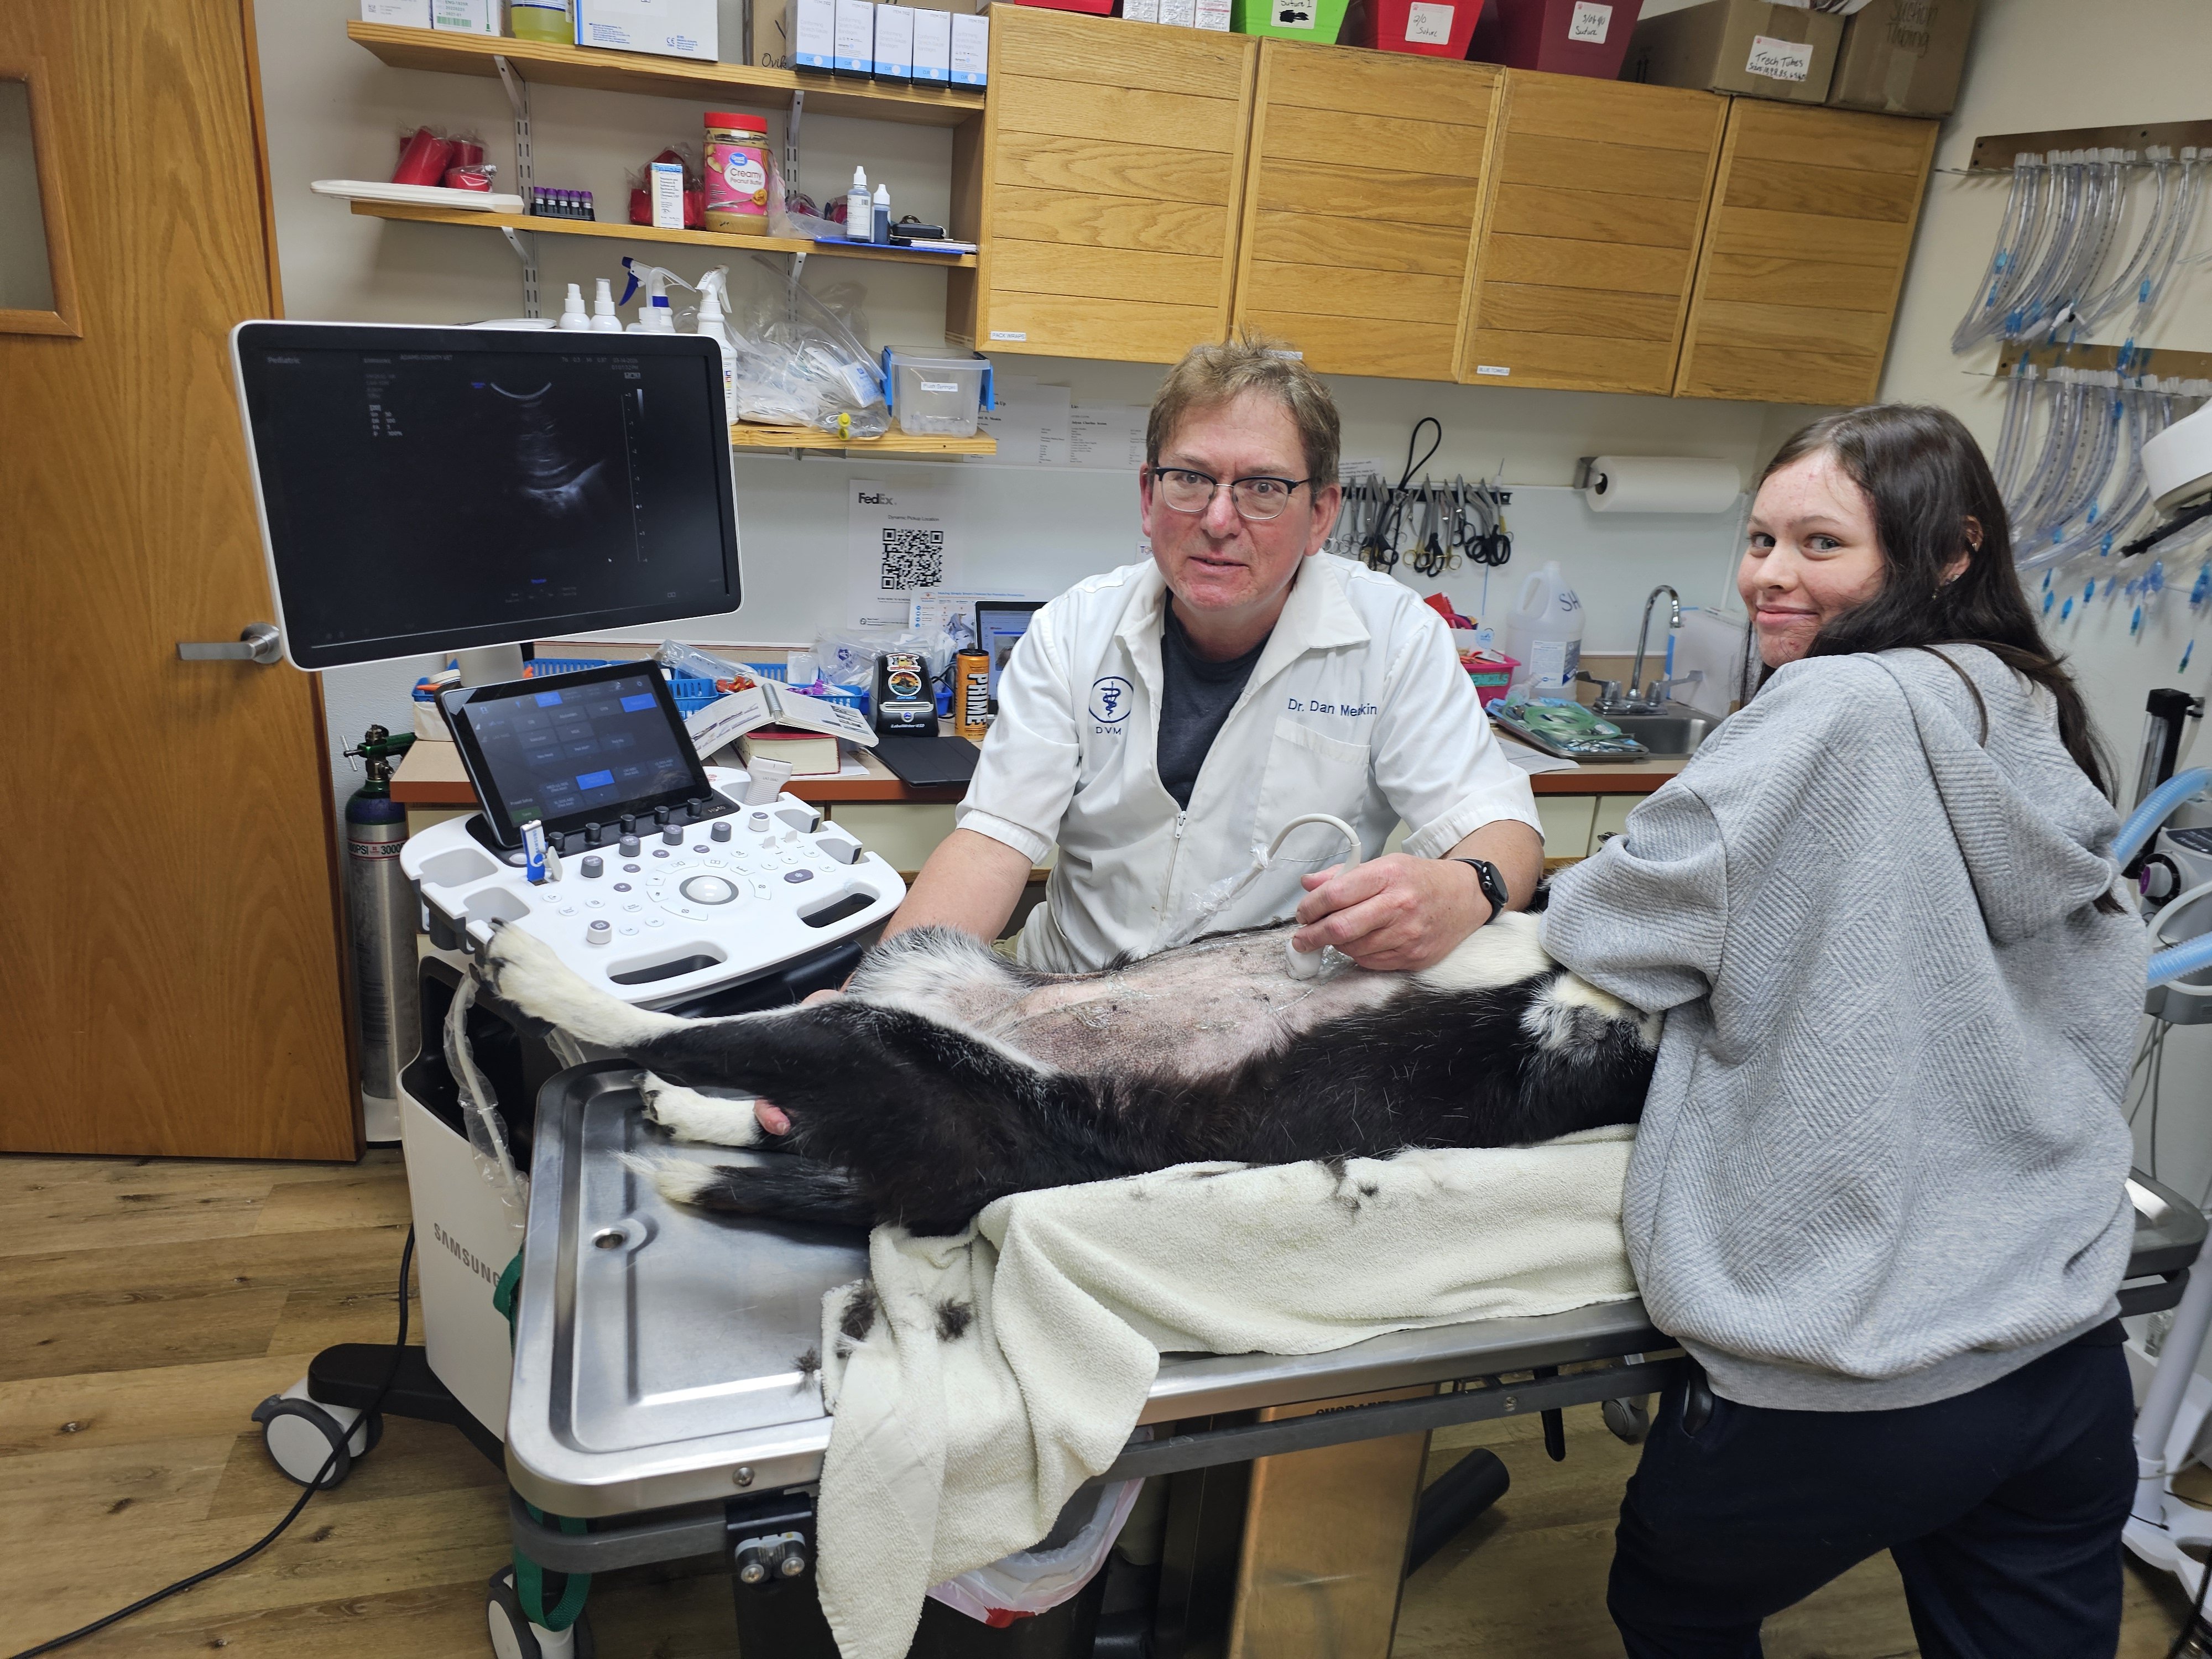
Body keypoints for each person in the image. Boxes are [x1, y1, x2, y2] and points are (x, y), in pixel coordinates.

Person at [1541, 404, 2146, 1658]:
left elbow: (1610, 925)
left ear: (1947, 550)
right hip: (2057, 1345)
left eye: (1819, 543)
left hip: (1850, 1360)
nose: (1768, 573)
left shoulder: (1826, 708)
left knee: (1676, 1600)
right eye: (1760, 538)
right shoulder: (2026, 701)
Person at [884, 334, 1544, 973]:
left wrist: (1463, 889)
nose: (1219, 519)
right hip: (1068, 994)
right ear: (1149, 497)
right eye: (1191, 479)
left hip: (1268, 1023)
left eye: (1262, 487)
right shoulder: (1071, 632)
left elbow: (1502, 833)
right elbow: (991, 846)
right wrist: (861, 1019)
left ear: (1320, 514)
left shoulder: (1396, 640)